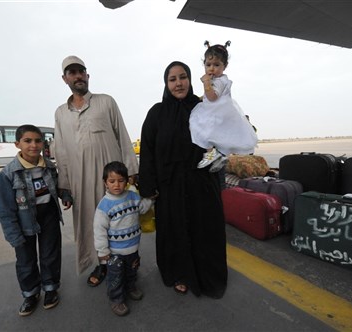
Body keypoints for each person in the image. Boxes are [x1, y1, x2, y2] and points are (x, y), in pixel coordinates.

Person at [138, 61, 228, 299]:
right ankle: (179, 273)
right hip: (170, 188)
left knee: (204, 230)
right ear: (166, 84)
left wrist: (220, 153)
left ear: (190, 79)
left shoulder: (203, 107)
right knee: (174, 230)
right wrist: (147, 189)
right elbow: (147, 151)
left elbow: (221, 136)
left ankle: (205, 274)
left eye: (183, 77)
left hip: (202, 183)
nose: (178, 83)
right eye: (172, 79)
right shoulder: (157, 113)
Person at [54, 55, 138, 286]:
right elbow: (60, 151)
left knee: (120, 222)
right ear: (65, 79)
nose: (78, 76)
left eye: (81, 71)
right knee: (91, 226)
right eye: (72, 72)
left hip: (112, 182)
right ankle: (102, 265)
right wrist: (65, 186)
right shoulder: (61, 113)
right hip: (81, 182)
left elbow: (122, 135)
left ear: (87, 75)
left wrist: (131, 171)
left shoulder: (106, 102)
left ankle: (126, 267)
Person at [0, 124, 73, 316]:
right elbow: (5, 209)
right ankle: (30, 294)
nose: (33, 145)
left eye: (38, 140)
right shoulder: (8, 174)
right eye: (27, 141)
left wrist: (66, 196)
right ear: (17, 144)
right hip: (23, 221)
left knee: (50, 254)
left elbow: (59, 186)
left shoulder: (49, 166)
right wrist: (13, 234)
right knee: (25, 260)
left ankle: (50, 288)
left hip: (48, 216)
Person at [93, 161, 152, 316]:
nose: (117, 185)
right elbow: (99, 230)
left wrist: (151, 198)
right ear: (105, 183)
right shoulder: (104, 205)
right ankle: (116, 299)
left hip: (133, 247)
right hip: (114, 252)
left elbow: (143, 208)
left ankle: (131, 287)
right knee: (115, 276)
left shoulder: (133, 196)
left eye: (120, 180)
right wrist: (102, 250)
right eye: (112, 181)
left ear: (127, 181)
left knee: (132, 270)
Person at [190, 40, 258, 172]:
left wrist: (206, 83)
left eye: (216, 65)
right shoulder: (218, 80)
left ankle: (212, 156)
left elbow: (212, 96)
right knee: (212, 136)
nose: (211, 68)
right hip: (217, 111)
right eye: (208, 64)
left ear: (224, 66)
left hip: (216, 112)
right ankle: (216, 156)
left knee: (199, 127)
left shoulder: (220, 81)